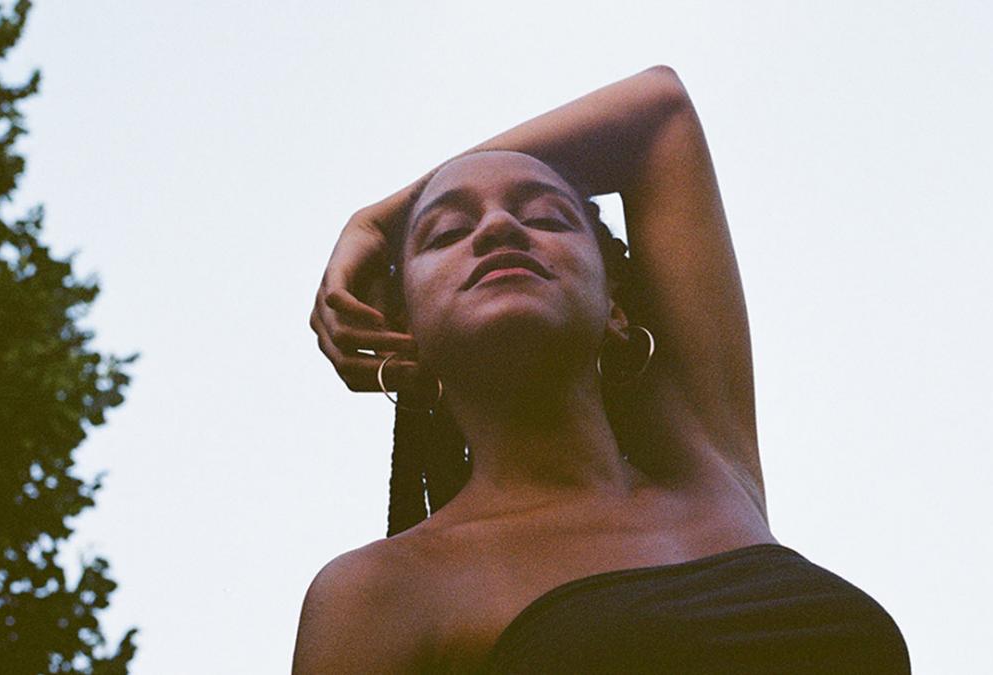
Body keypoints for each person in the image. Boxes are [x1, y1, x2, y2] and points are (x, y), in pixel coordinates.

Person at [297, 66, 910, 674]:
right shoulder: (380, 591)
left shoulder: (709, 471)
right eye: (447, 232)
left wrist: (378, 220)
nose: (500, 226)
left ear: (615, 306)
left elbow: (660, 112)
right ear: (402, 331)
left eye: (546, 217)